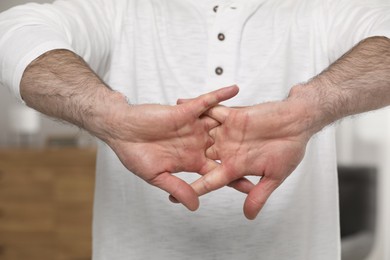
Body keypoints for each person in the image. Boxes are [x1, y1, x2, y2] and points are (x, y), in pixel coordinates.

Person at [0, 0, 389, 259]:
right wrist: (107, 116)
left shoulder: (321, 8)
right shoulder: (121, 7)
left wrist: (313, 107)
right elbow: (13, 30)